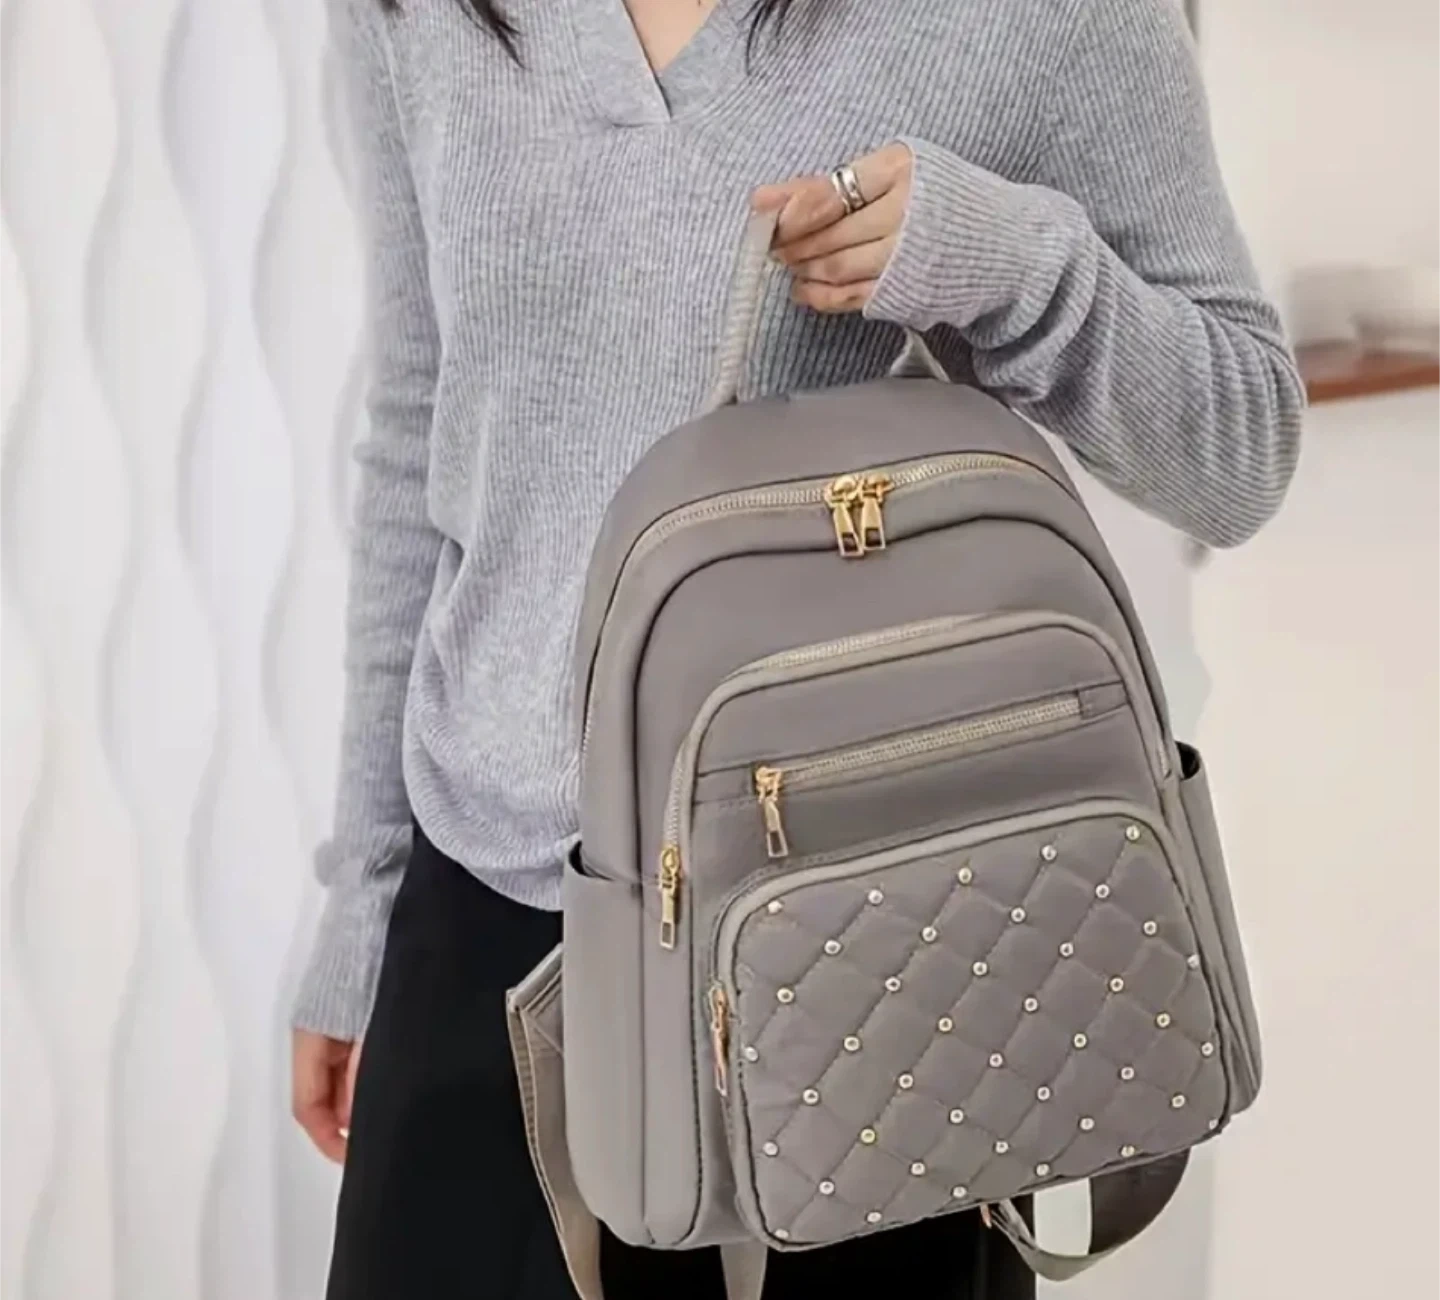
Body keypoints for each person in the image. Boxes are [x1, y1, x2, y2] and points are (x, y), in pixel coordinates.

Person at [291, 0, 1303, 1296]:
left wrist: (1009, 266)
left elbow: (1240, 447)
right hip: (484, 929)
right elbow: (418, 423)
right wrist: (364, 905)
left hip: (865, 944)